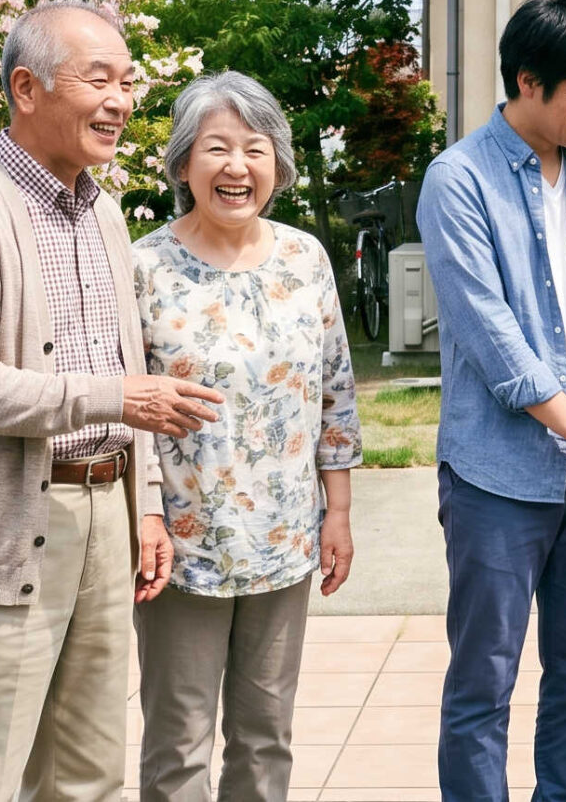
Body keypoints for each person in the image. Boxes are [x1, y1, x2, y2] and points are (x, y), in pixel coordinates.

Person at [0, 0, 228, 802]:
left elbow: (127, 362)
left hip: (104, 521)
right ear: (26, 88)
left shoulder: (104, 213)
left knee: (88, 777)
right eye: (99, 79)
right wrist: (114, 397)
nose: (120, 102)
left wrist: (144, 507)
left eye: (128, 83)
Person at [417, 0, 566, 802]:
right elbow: (492, 338)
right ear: (528, 80)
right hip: (499, 475)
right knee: (483, 682)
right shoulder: (458, 180)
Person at [130, 71, 361, 802]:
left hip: (284, 538)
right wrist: (145, 514)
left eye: (255, 149)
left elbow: (335, 391)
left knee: (265, 739)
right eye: (217, 148)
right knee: (178, 742)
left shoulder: (305, 259)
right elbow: (121, 408)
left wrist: (338, 512)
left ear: (278, 166)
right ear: (182, 164)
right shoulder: (143, 266)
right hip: (181, 545)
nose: (237, 167)